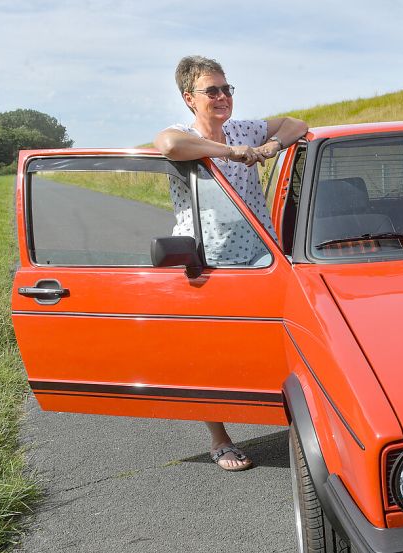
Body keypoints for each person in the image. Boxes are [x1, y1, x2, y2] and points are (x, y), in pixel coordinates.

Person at [153, 55, 307, 471]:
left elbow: (295, 123)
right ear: (189, 98)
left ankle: (294, 422)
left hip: (262, 255)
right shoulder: (184, 135)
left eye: (226, 89)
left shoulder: (246, 127)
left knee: (279, 340)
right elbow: (168, 147)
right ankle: (219, 439)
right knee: (209, 351)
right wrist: (231, 152)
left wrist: (273, 145)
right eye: (212, 91)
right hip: (206, 262)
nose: (222, 97)